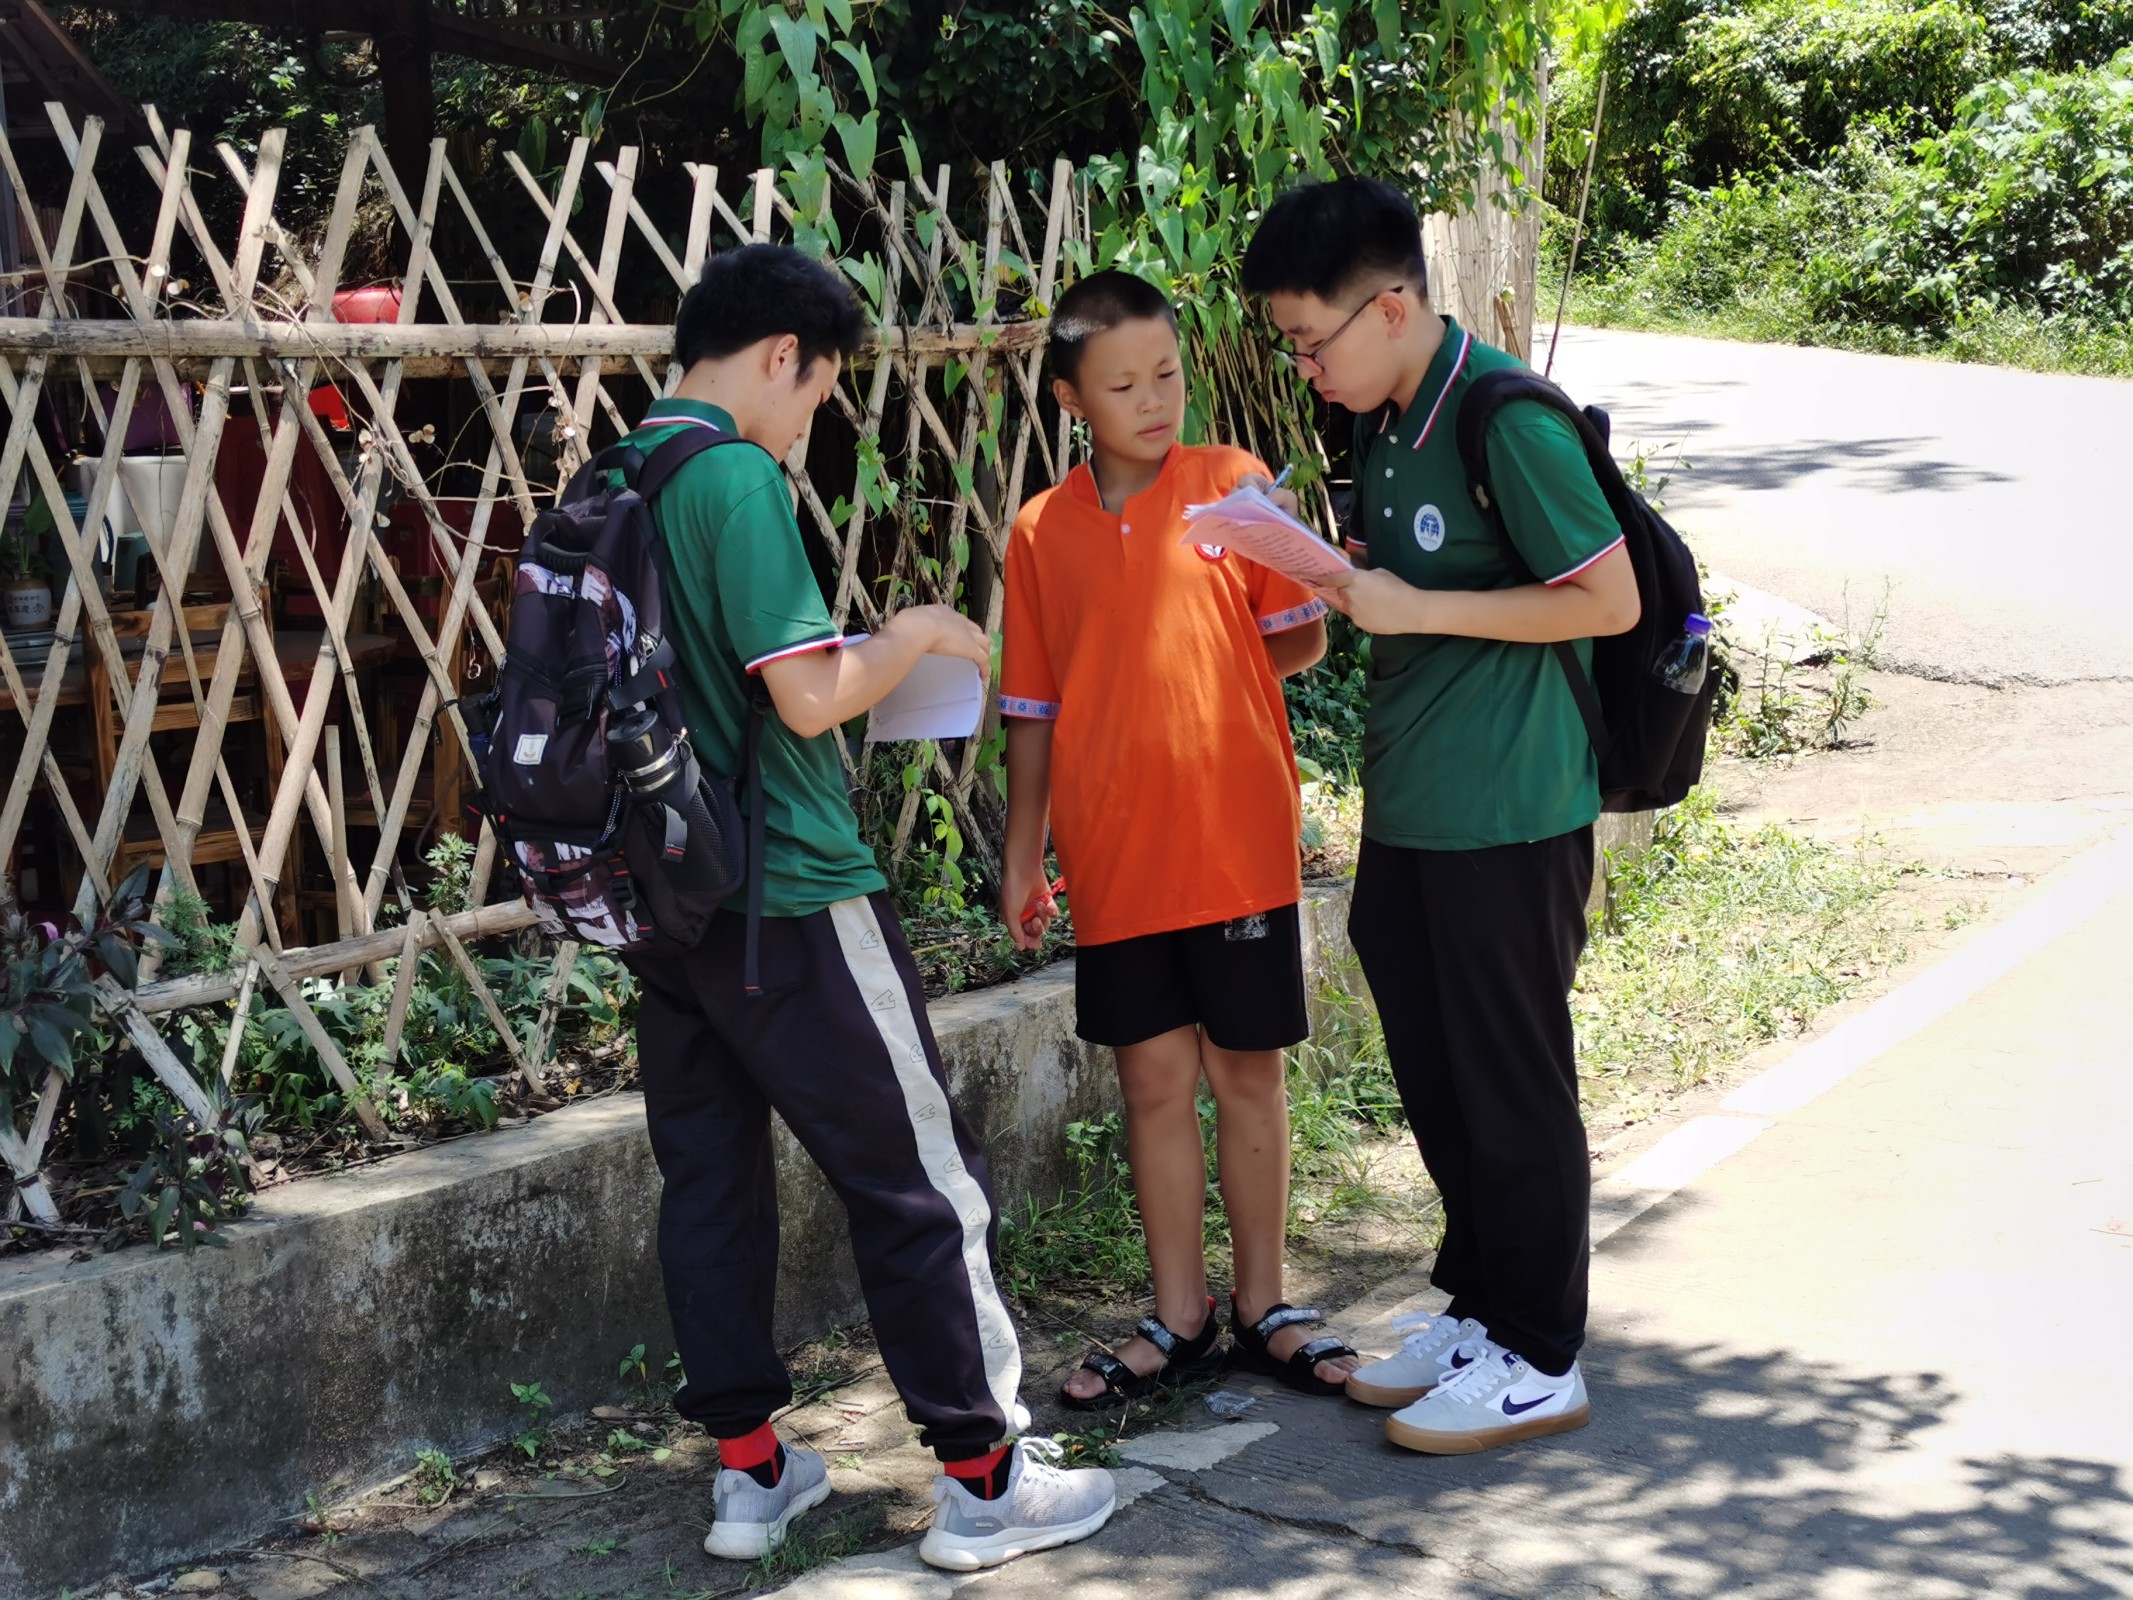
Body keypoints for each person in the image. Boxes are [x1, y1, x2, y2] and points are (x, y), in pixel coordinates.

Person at [622, 244, 1115, 1571]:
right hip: (789, 889)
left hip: (666, 905)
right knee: (920, 1187)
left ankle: (751, 1471)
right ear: (784, 355)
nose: (811, 422)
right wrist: (911, 635)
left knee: (709, 1186)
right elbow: (803, 694)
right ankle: (986, 1479)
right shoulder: (731, 475)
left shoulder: (619, 472)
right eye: (819, 391)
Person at [1241, 180, 1641, 1454]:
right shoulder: (1390, 416)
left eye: (1314, 340)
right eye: (1291, 344)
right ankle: (1484, 1307)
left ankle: (1544, 1353)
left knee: (1513, 1080)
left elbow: (1607, 600)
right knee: (1437, 1065)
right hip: (1417, 803)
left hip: (1512, 808)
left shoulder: (1502, 415)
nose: (1304, 366)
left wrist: (1415, 607)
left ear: (1394, 305)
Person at [996, 269, 1362, 1407]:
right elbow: (1032, 711)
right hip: (1111, 857)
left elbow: (1294, 634)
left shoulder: (1233, 486)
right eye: (1124, 383)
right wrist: (1024, 855)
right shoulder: (1040, 530)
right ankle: (1182, 1314)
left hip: (1233, 839)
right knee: (1152, 1081)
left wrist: (1211, 687)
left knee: (1246, 1073)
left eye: (1169, 373)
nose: (1156, 400)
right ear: (1071, 399)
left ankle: (1266, 1305)